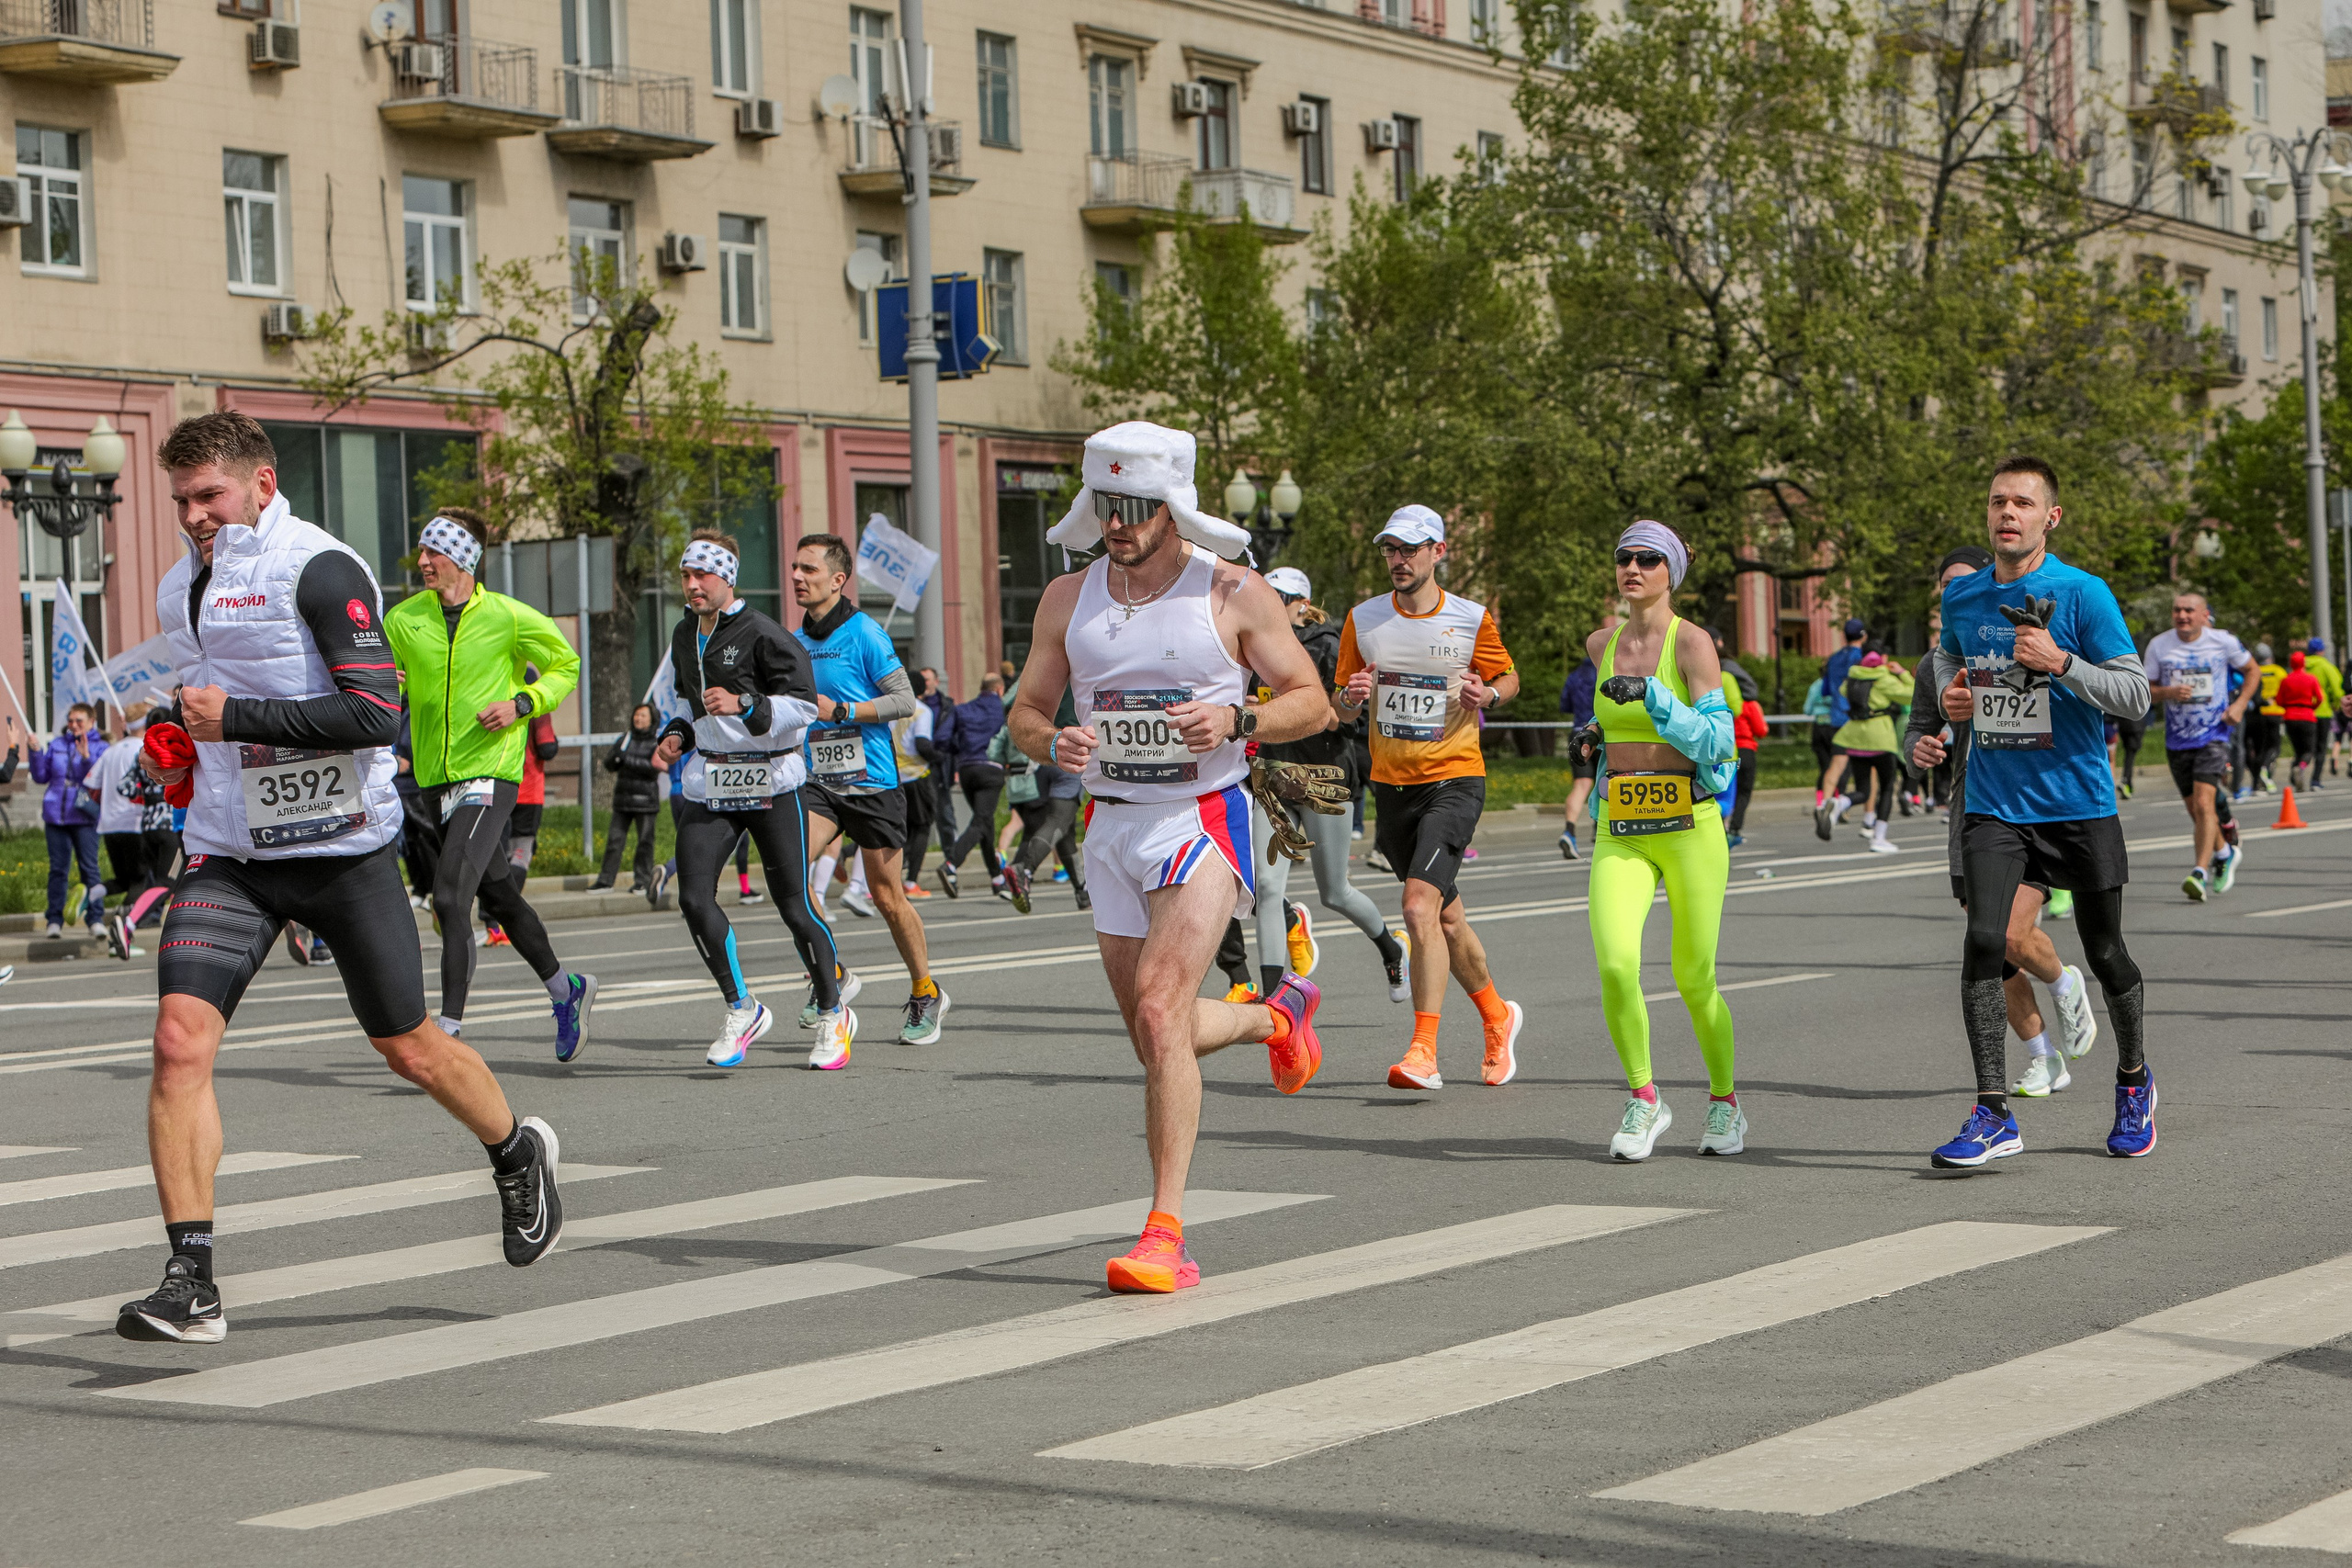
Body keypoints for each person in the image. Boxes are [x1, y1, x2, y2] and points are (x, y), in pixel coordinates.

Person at [119, 411, 563, 1344]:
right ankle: (191, 1281)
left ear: (262, 484)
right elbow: (201, 713)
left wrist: (230, 715)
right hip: (229, 854)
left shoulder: (320, 568)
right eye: (181, 500)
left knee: (409, 1048)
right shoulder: (177, 589)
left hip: (341, 848)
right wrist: (170, 751)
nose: (196, 515)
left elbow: (372, 714)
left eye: (212, 495)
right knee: (177, 1042)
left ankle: (515, 1150)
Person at [1011, 420, 1329, 1294]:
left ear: (1173, 505)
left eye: (1138, 505)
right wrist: (1054, 743)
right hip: (1109, 824)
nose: (1120, 521)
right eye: (1106, 503)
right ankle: (1275, 1016)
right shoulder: (1066, 599)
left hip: (1201, 815)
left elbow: (1314, 701)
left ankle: (1165, 1233)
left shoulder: (1232, 591)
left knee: (1160, 1007)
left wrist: (1239, 719)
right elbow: (1025, 712)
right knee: (1158, 1035)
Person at [1908, 456, 2154, 1170]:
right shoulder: (1964, 599)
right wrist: (1954, 700)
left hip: (2077, 803)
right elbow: (1953, 666)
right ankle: (1992, 1112)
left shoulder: (2083, 593)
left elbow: (2135, 694)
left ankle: (2135, 1082)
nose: (2006, 513)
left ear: (2051, 517)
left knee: (2106, 952)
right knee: (1985, 939)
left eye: (2021, 502)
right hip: (1995, 803)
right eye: (1996, 502)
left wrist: (2062, 663)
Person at [383, 509, 597, 1062]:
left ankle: (447, 1033)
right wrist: (391, 686)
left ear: (464, 559)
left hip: (491, 771)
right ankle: (565, 992)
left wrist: (523, 703)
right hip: (434, 777)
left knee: (451, 895)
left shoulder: (508, 617)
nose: (423, 562)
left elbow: (565, 665)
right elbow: (388, 683)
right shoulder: (405, 620)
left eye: (434, 553)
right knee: (497, 895)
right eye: (422, 552)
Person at [1568, 522, 1745, 1159]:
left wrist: (1656, 698)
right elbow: (1614, 718)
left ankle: (1725, 1103)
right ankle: (1646, 1099)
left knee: (1694, 978)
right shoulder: (1601, 644)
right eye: (1624, 558)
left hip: (1690, 826)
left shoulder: (1693, 644)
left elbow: (1719, 742)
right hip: (1622, 827)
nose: (1633, 568)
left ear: (1671, 572)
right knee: (1616, 965)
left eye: (1648, 559)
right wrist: (1591, 733)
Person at [1334, 503, 1524, 1091]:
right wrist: (1351, 696)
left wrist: (1487, 694)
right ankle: (1498, 1015)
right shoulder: (1363, 620)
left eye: (1410, 549)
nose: (1399, 559)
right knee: (1445, 916)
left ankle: (1424, 1052)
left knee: (1417, 908)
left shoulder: (1471, 619)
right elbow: (1339, 701)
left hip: (1454, 779)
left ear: (1438, 552)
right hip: (1392, 788)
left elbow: (1509, 679)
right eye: (1391, 549)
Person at [1904, 545, 2100, 1101]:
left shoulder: (2031, 644)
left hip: (2032, 805)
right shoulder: (1935, 664)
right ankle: (2043, 1057)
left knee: (2011, 933)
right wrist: (1919, 747)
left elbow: (2083, 706)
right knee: (1984, 941)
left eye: (1967, 584)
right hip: (1972, 810)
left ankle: (2063, 980)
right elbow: (1918, 727)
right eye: (1948, 588)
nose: (1959, 596)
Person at [652, 530, 852, 1068]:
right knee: (693, 898)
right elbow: (689, 705)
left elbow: (805, 708)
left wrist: (746, 703)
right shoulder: (682, 634)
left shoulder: (763, 633)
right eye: (686, 576)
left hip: (771, 781)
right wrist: (677, 735)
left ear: (727, 578)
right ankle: (743, 1007)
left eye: (702, 576)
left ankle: (834, 1012)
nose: (692, 585)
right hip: (711, 782)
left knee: (794, 905)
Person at [790, 531, 947, 1046]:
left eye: (809, 570)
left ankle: (926, 989)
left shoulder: (865, 635)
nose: (797, 576)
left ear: (838, 580)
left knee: (886, 896)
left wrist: (845, 711)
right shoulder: (795, 642)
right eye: (795, 568)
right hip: (821, 784)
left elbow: (904, 700)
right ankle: (831, 976)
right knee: (788, 872)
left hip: (874, 783)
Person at [1247, 566, 1408, 1003]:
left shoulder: (1327, 647)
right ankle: (1274, 998)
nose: (1269, 602)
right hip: (1273, 775)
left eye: (1278, 595)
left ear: (1300, 602)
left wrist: (1292, 706)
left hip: (1323, 777)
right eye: (1265, 593)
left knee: (1334, 893)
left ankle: (1391, 950)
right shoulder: (1257, 647)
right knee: (1266, 888)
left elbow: (1339, 717)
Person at [2143, 593, 2257, 902]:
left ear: (2204, 614)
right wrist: (2169, 691)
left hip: (2214, 734)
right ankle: (2224, 852)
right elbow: (2147, 691)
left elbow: (2253, 670)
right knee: (2196, 809)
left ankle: (2199, 871)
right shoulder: (2159, 645)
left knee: (2206, 804)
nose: (2182, 615)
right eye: (2177, 610)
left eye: (2189, 610)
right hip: (2177, 739)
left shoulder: (2222, 641)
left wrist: (2240, 704)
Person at [30, 702, 107, 940]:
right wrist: (35, 753)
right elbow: (41, 776)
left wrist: (86, 758)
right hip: (56, 815)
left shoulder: (100, 747)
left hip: (84, 816)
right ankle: (54, 919)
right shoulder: (57, 744)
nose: (73, 725)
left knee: (90, 868)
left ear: (91, 722)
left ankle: (95, 919)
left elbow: (98, 779)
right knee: (58, 870)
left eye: (79, 721)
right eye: (71, 720)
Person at [1830, 648, 1915, 854]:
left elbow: (1842, 692)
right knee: (1887, 787)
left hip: (1855, 739)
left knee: (1863, 790)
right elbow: (1911, 694)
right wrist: (1902, 673)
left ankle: (1840, 802)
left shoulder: (1851, 680)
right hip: (1880, 739)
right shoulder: (1884, 680)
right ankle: (1879, 837)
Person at [934, 673, 1008, 894]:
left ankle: (997, 878)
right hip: (991, 769)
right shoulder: (1003, 709)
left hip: (967, 769)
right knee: (981, 821)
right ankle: (951, 864)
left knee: (984, 821)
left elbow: (941, 739)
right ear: (1000, 690)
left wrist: (961, 751)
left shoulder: (962, 709)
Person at [594, 704, 664, 891]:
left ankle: (642, 881)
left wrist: (628, 760)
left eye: (643, 715)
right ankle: (605, 881)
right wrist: (614, 759)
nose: (638, 719)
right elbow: (611, 764)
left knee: (644, 843)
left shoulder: (656, 741)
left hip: (646, 801)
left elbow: (654, 768)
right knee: (614, 842)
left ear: (652, 719)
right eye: (636, 715)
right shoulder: (625, 739)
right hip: (623, 800)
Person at [1812, 617, 1871, 838]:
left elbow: (1826, 690)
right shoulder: (1861, 658)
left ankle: (1823, 805)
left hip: (1837, 717)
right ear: (1863, 636)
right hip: (1858, 718)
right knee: (1870, 769)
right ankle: (1870, 820)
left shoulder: (1834, 658)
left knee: (1835, 765)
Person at [892, 668, 940, 897]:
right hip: (917, 776)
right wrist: (940, 758)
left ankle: (847, 854)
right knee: (921, 828)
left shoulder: (894, 708)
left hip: (894, 778)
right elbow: (922, 744)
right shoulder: (922, 711)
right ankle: (911, 882)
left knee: (898, 829)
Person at [1557, 651, 1599, 860]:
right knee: (1607, 780)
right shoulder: (1605, 671)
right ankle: (1599, 829)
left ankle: (1569, 831)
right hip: (1600, 732)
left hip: (1577, 733)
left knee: (1581, 784)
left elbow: (1564, 705)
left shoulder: (1574, 676)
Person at [2278, 649, 2326, 792]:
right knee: (2309, 750)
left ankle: (2295, 772)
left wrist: (2288, 707)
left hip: (2290, 717)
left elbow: (2279, 700)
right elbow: (2320, 697)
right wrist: (2312, 707)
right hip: (2307, 716)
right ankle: (2301, 767)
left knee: (2297, 750)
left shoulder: (2286, 680)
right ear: (2303, 663)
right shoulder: (2311, 679)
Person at [2303, 637, 2345, 786]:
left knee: (2306, 747)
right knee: (2320, 748)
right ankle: (2315, 781)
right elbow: (2337, 690)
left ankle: (2300, 767)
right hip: (2322, 712)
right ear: (2322, 651)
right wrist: (2337, 705)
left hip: (2303, 713)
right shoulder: (2326, 666)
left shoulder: (2301, 667)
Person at [1728, 683, 1766, 847]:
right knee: (1744, 791)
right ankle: (1735, 827)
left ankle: (1723, 824)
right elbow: (1761, 731)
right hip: (1746, 752)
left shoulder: (1726, 705)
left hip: (1730, 752)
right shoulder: (1750, 706)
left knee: (1731, 789)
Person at [2245, 642, 2286, 794]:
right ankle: (2265, 768)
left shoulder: (2255, 671)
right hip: (2276, 712)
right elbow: (2286, 688)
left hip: (2259, 713)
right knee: (2274, 746)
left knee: (2259, 747)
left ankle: (2258, 776)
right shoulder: (2278, 671)